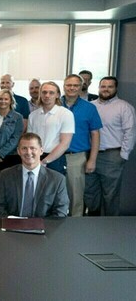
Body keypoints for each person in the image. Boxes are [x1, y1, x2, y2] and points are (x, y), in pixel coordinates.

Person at [85, 77, 136, 216]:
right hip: (89, 155)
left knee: (110, 194)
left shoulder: (124, 107)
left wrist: (122, 156)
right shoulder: (91, 106)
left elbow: (130, 132)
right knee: (90, 192)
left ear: (116, 88)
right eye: (103, 86)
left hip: (112, 156)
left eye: (110, 86)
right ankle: (92, 222)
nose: (106, 89)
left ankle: (110, 225)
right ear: (98, 88)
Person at [0, 133, 69, 217]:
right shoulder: (6, 175)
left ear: (41, 151)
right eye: (24, 148)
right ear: (18, 151)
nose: (28, 152)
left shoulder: (57, 179)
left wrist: (43, 226)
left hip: (45, 227)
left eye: (33, 148)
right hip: (12, 226)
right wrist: (10, 222)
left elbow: (61, 211)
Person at [61, 74, 102, 216]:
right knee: (52, 193)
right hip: (53, 156)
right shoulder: (54, 104)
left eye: (76, 85)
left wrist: (92, 159)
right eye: (69, 85)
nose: (72, 88)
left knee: (76, 197)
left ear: (81, 88)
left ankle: (74, 229)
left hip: (76, 157)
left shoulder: (89, 108)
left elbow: (95, 134)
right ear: (64, 86)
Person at [27, 81, 74, 175]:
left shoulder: (65, 114)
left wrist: (44, 161)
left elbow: (65, 144)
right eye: (44, 92)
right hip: (35, 158)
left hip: (55, 159)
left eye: (51, 93)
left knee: (54, 188)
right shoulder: (33, 115)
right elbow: (29, 140)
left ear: (57, 95)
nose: (47, 95)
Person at [0, 89, 23, 190]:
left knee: (10, 189)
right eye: (0, 99)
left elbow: (16, 138)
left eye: (6, 99)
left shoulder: (17, 117)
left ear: (11, 101)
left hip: (10, 158)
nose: (3, 101)